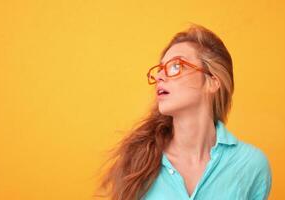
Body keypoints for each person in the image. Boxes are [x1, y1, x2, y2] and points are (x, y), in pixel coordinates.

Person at [94, 23, 272, 200]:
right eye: (160, 70)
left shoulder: (251, 166)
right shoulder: (138, 162)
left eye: (175, 66)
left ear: (212, 81)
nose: (159, 77)